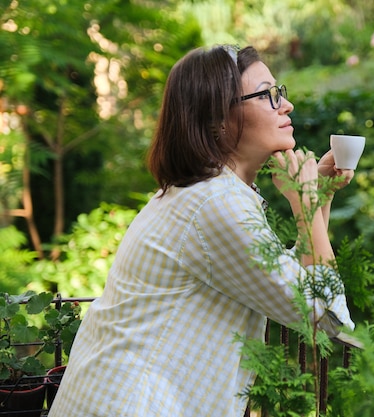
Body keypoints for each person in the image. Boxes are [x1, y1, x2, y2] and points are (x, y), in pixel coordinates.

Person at [48, 45, 355, 416]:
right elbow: (326, 316)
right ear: (219, 118)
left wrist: (318, 199)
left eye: (281, 92)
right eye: (267, 95)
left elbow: (287, 282)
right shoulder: (217, 204)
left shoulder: (211, 194)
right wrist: (303, 206)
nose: (285, 105)